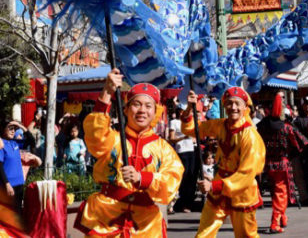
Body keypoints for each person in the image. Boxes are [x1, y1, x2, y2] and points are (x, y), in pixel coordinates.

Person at [74, 69, 184, 236]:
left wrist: (142, 178)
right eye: (136, 104)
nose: (142, 110)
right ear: (126, 109)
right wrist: (106, 92)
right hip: (105, 215)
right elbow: (95, 136)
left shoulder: (164, 149)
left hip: (146, 224)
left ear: (155, 113)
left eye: (148, 106)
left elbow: (172, 181)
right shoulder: (112, 139)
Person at [182, 87, 266, 238]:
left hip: (242, 190)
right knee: (204, 234)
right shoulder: (221, 125)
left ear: (245, 108)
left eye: (237, 104)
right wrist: (190, 108)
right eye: (229, 103)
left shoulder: (251, 136)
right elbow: (194, 130)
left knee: (246, 235)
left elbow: (247, 172)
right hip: (219, 186)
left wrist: (213, 185)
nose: (233, 107)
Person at [257, 92, 308, 234]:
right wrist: (292, 153)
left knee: (276, 192)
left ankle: (282, 218)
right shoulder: (287, 127)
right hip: (282, 164)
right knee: (282, 193)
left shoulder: (262, 125)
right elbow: (301, 143)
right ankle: (275, 223)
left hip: (269, 164)